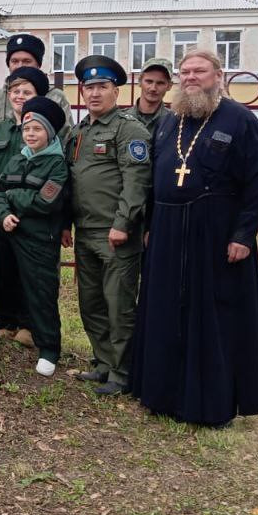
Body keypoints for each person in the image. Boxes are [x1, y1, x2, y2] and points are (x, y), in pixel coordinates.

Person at [131, 49, 258, 427]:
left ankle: (210, 403)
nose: (191, 77)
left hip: (215, 232)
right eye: (185, 71)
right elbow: (153, 176)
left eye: (199, 71)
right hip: (167, 229)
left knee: (211, 314)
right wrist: (149, 225)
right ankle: (161, 394)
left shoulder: (240, 120)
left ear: (218, 75)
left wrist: (244, 234)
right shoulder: (169, 121)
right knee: (164, 310)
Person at [0, 95, 70, 376]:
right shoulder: (17, 161)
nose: (30, 134)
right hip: (10, 228)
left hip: (39, 239)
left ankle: (49, 349)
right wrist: (4, 213)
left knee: (40, 293)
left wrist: (12, 196)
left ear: (50, 133)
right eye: (27, 129)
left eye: (37, 129)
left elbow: (46, 202)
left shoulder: (56, 164)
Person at [64, 55, 151, 397]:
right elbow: (73, 180)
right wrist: (67, 223)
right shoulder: (80, 131)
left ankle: (122, 370)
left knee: (119, 304)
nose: (95, 93)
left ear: (116, 91)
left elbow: (136, 180)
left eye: (102, 87)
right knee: (91, 302)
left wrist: (123, 223)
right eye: (89, 87)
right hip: (85, 231)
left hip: (115, 234)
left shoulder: (128, 129)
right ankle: (102, 362)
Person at [0, 66, 50, 345]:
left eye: (27, 92)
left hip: (31, 212)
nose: (20, 96)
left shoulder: (44, 132)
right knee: (3, 265)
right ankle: (5, 319)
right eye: (15, 91)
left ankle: (29, 324)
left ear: (38, 96)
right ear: (8, 96)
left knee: (29, 271)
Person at [0, 33, 73, 143]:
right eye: (14, 61)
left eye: (27, 61)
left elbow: (65, 139)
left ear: (38, 65)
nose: (20, 66)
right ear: (8, 64)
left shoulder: (55, 98)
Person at [126, 57, 174, 134]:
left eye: (160, 83)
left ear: (169, 86)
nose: (153, 88)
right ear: (140, 82)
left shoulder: (175, 121)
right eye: (149, 81)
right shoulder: (121, 119)